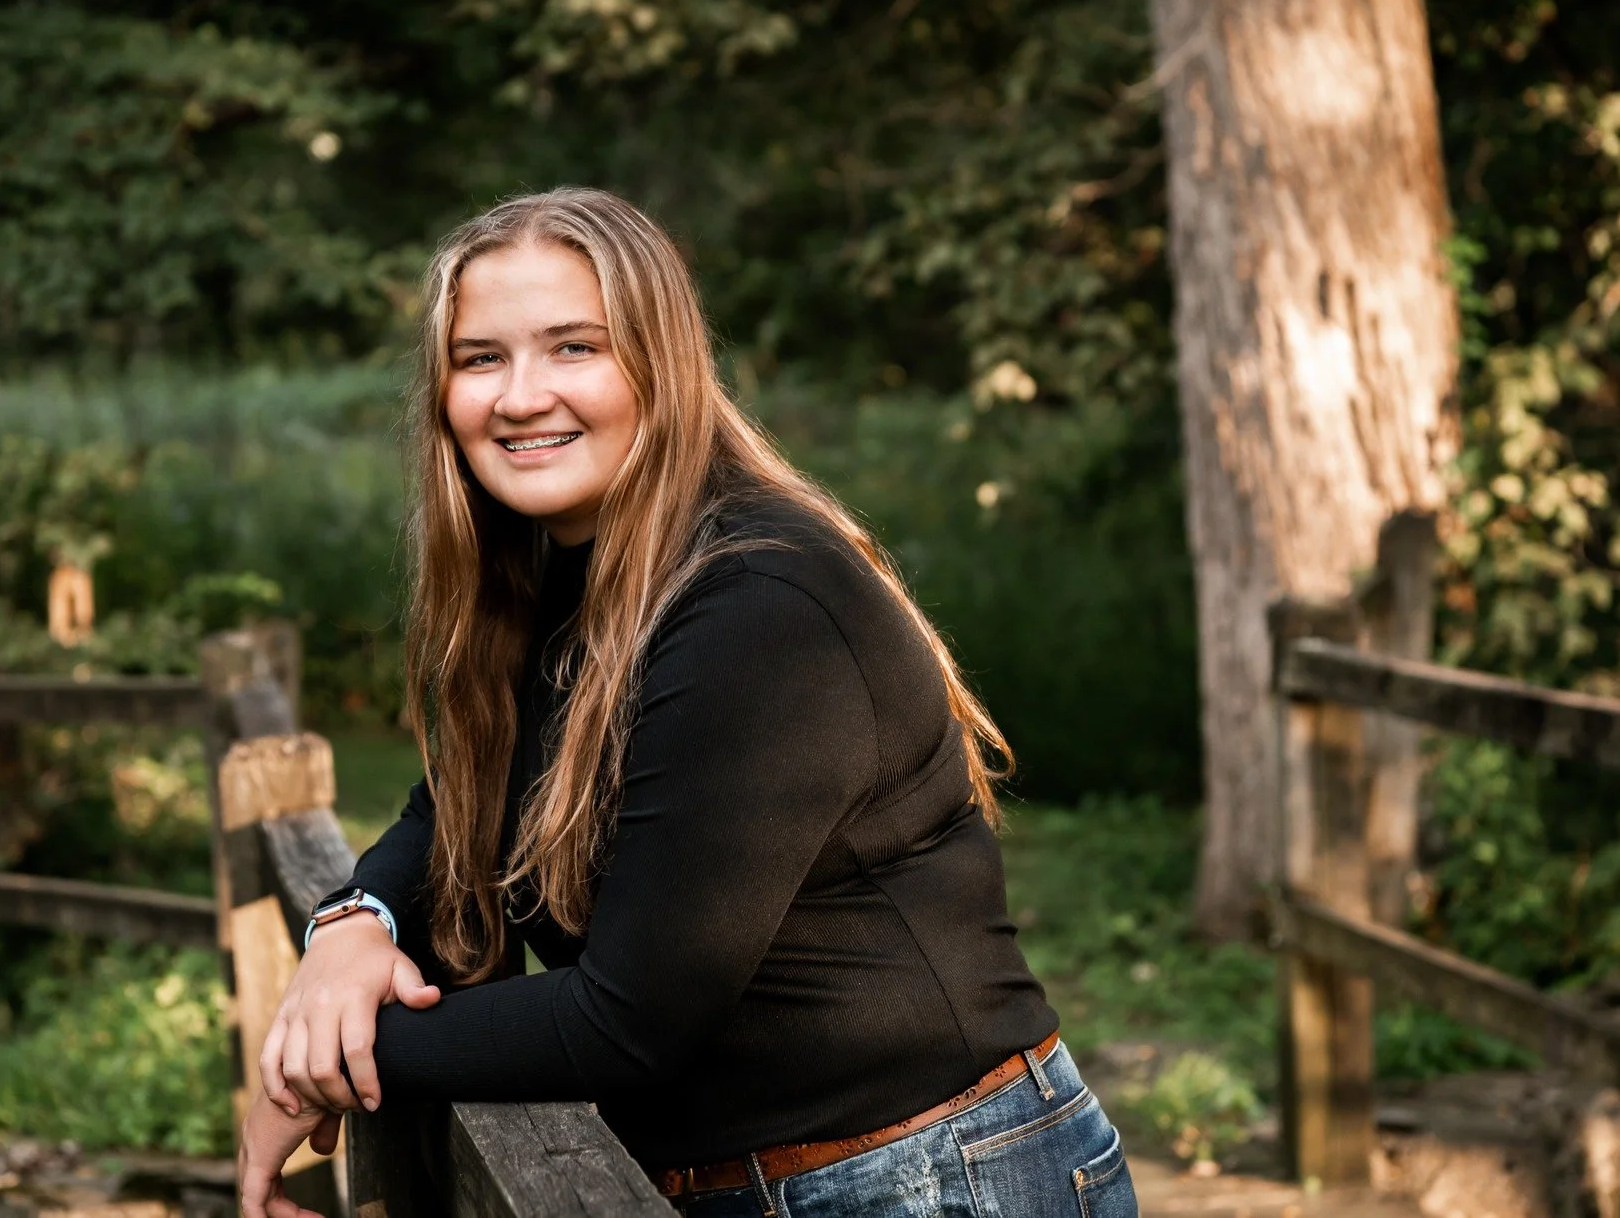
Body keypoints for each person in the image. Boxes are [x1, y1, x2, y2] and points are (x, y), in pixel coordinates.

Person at [235, 188, 1138, 1217]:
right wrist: (352, 925)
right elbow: (459, 808)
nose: (520, 395)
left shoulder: (758, 606)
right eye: (480, 358)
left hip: (926, 1179)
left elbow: (629, 1020)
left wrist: (321, 1055)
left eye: (574, 347)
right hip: (741, 1180)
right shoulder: (561, 576)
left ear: (660, 365)